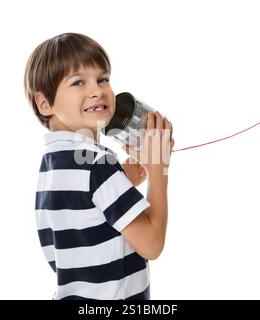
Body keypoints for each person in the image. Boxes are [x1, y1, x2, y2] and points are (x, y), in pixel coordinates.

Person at [24, 33, 174, 300]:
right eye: (78, 82)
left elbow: (85, 206)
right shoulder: (97, 165)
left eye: (103, 79)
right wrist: (159, 171)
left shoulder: (56, 162)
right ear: (44, 103)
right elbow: (151, 244)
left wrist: (122, 178)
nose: (97, 90)